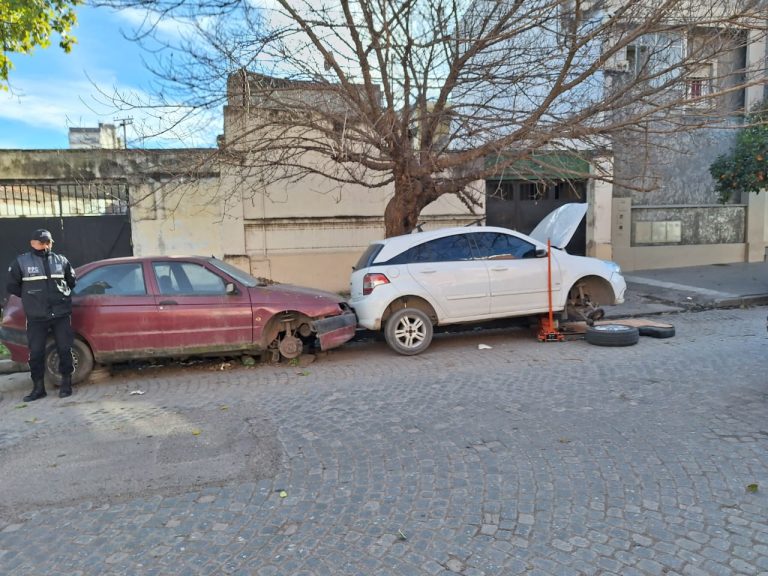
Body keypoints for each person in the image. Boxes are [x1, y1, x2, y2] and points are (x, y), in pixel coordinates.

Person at [6, 229, 77, 400]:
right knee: (36, 353)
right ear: (33, 243)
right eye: (42, 241)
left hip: (60, 314)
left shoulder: (61, 260)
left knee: (64, 349)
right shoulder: (21, 262)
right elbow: (12, 286)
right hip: (36, 317)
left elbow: (71, 282)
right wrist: (32, 299)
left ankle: (66, 384)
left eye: (48, 241)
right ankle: (38, 388)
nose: (46, 245)